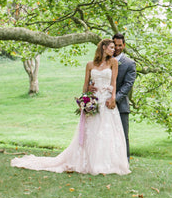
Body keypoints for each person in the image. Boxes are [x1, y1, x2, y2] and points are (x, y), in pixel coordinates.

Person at [11, 39, 130, 175]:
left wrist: (113, 98)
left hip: (107, 101)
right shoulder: (90, 65)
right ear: (103, 47)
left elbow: (113, 82)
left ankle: (107, 164)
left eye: (114, 48)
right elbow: (85, 86)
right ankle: (88, 162)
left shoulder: (113, 62)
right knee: (91, 131)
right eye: (111, 47)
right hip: (94, 99)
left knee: (106, 131)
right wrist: (85, 98)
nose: (113, 50)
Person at [105, 33, 137, 161]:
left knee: (123, 134)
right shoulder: (104, 60)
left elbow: (127, 85)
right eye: (115, 45)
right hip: (104, 103)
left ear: (123, 45)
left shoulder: (129, 63)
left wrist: (114, 99)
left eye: (119, 45)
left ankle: (125, 160)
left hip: (121, 105)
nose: (117, 48)